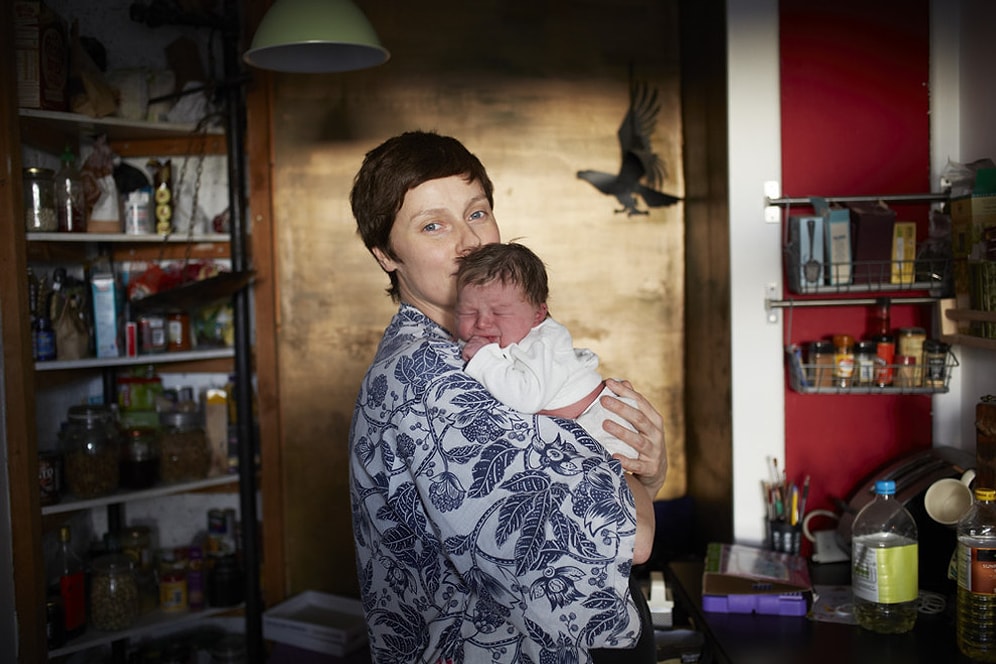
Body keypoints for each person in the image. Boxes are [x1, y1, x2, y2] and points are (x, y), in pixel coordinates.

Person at [348, 130, 667, 664]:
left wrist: (638, 472)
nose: (468, 243)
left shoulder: (488, 343)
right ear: (386, 255)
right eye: (433, 225)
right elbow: (625, 538)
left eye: (476, 213)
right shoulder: (433, 378)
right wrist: (641, 480)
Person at [455, 241, 639, 459]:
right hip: (573, 428)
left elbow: (526, 398)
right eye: (468, 312)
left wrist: (483, 359)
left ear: (538, 314)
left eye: (500, 312)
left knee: (601, 481)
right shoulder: (506, 335)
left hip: (602, 421)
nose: (483, 323)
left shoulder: (544, 341)